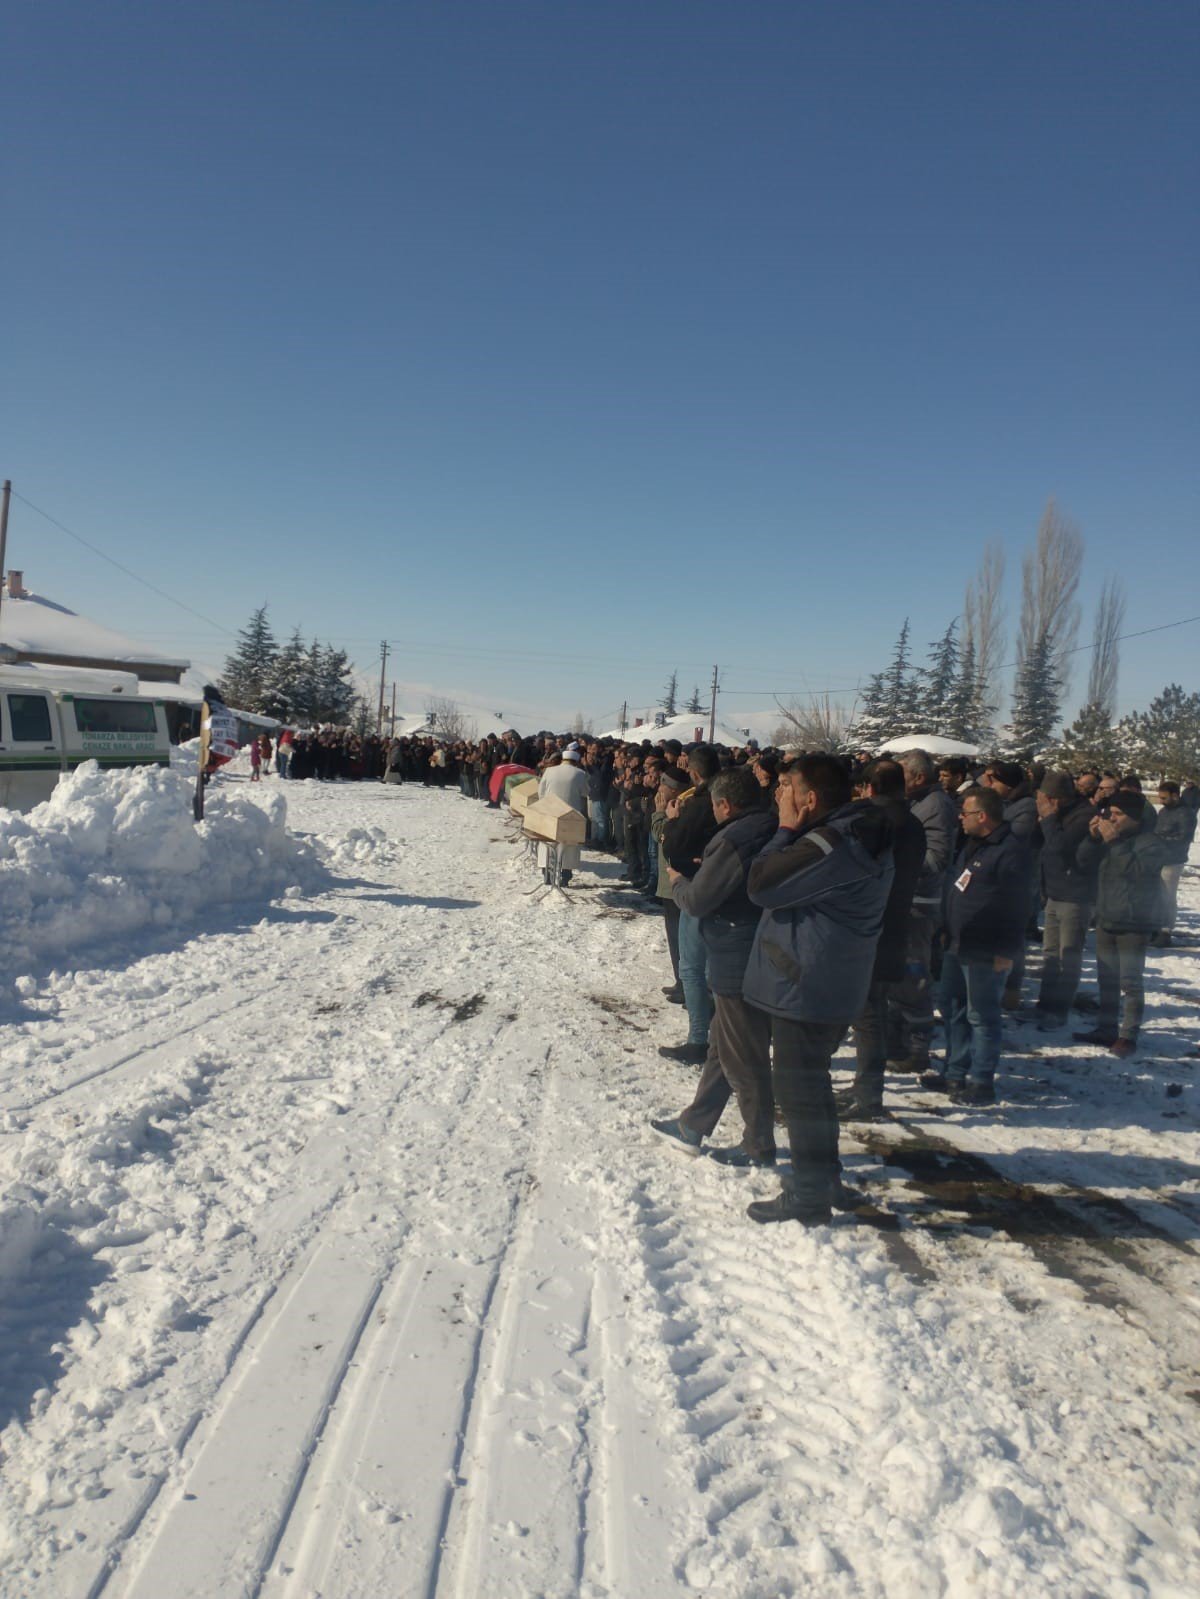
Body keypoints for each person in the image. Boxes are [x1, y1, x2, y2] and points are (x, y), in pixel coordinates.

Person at [741, 755, 895, 1224]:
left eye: (786, 787)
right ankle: (825, 1178)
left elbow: (762, 884)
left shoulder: (832, 843)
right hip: (826, 981)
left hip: (806, 986)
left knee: (799, 1093)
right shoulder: (854, 832)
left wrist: (785, 831)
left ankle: (808, 1197)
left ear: (810, 798)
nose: (779, 795)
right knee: (813, 1085)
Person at [650, 766, 778, 1163]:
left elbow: (700, 899)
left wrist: (679, 881)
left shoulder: (736, 837)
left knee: (745, 1057)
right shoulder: (769, 825)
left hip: (736, 952)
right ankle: (694, 1124)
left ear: (724, 804)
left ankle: (759, 1144)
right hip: (748, 946)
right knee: (722, 1047)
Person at [922, 786, 1031, 1105]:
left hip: (987, 948)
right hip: (958, 942)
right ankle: (954, 1074)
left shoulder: (1010, 851)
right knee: (952, 1007)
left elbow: (1019, 907)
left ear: (982, 816)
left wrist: (1005, 951)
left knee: (982, 1016)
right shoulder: (973, 844)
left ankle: (981, 1081)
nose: (960, 819)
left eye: (965, 813)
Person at [839, 759, 926, 1120]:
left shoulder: (875, 821)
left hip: (868, 926)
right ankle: (864, 1085)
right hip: (896, 921)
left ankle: (869, 1095)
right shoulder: (914, 822)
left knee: (868, 1014)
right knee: (870, 1009)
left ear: (870, 788)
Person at [1075, 792, 1167, 1056]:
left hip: (1134, 923)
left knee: (1131, 983)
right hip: (1106, 917)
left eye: (1118, 814)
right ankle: (1106, 1029)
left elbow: (1137, 874)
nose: (1111, 818)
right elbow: (1082, 862)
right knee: (1107, 980)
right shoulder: (1109, 841)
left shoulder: (1152, 843)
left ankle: (1128, 1035)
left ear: (1135, 818)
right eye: (1109, 813)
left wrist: (1114, 842)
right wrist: (1092, 840)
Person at [887, 751, 958, 1072]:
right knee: (896, 973)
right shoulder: (913, 802)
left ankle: (917, 1047)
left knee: (913, 974)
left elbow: (936, 859)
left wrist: (895, 861)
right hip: (902, 900)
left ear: (918, 777)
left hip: (920, 903)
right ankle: (897, 1041)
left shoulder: (936, 807)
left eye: (900, 774)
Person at [660, 746, 721, 1064]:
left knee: (693, 968)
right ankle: (719, 1034)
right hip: (724, 888)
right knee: (711, 966)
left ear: (695, 773)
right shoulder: (730, 798)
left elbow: (672, 847)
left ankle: (699, 1039)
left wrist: (670, 821)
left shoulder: (698, 804)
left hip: (698, 887)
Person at [1034, 771, 1099, 1028]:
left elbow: (1060, 846)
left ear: (1055, 799)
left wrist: (1048, 819)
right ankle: (1045, 1003)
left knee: (1068, 955)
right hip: (1055, 892)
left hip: (1076, 896)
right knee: (1050, 953)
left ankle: (1059, 1010)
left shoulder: (1083, 815)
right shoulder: (1059, 814)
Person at [536, 744, 589, 885]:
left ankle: (547, 872)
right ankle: (565, 875)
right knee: (568, 844)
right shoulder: (580, 774)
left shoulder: (549, 771)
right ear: (576, 761)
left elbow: (540, 791)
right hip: (570, 814)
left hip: (550, 811)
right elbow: (585, 792)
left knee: (548, 842)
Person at [1153, 781, 1197, 946]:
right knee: (1156, 895)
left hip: (1173, 860)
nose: (1161, 801)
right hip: (1157, 859)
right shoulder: (1164, 811)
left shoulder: (1186, 814)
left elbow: (1183, 838)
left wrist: (1160, 841)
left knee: (1167, 896)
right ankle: (1155, 927)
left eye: (1164, 797)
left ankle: (1165, 930)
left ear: (1175, 795)